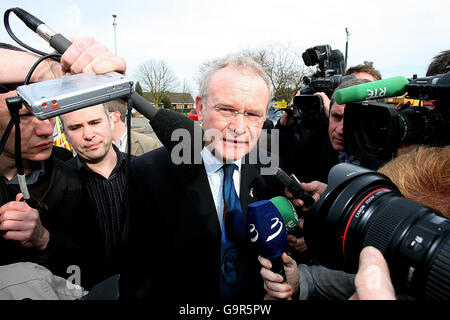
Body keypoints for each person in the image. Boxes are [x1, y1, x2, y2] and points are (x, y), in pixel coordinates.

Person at [119, 55, 322, 301]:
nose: (238, 126)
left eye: (252, 115)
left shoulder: (272, 169)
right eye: (226, 109)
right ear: (200, 108)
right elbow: (137, 277)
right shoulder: (147, 172)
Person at [0, 39, 126, 285]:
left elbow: (89, 267)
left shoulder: (69, 181)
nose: (46, 130)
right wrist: (48, 68)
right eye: (26, 116)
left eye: (47, 113)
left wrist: (44, 239)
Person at [60, 104, 131, 287]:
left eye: (94, 122)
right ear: (64, 133)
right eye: (76, 127)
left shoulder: (145, 172)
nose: (88, 135)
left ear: (111, 121)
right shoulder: (56, 183)